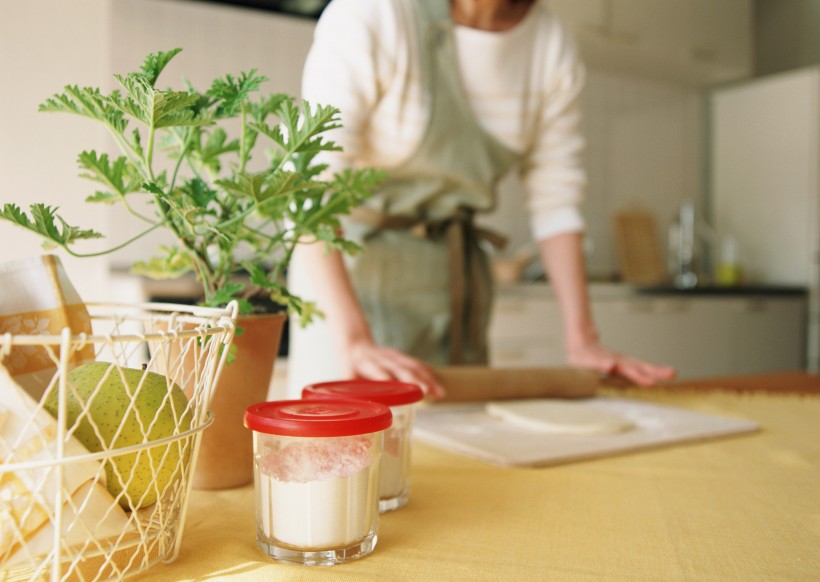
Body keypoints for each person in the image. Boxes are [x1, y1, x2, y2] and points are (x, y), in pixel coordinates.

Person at [285, 0, 676, 398]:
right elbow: (306, 191)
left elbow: (556, 203)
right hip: (344, 285)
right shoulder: (376, 12)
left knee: (458, 442)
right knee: (352, 449)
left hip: (455, 286)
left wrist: (583, 340)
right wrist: (354, 339)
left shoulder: (549, 44)